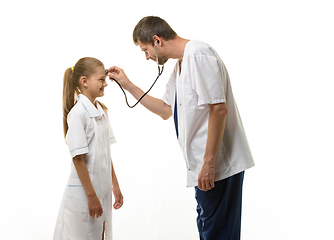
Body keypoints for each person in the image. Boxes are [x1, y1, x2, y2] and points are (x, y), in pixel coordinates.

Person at [107, 16, 255, 240]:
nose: (146, 57)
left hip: (217, 166)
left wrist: (208, 162)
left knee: (218, 232)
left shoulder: (198, 54)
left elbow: (219, 109)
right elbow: (166, 109)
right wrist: (127, 84)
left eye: (145, 50)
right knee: (209, 230)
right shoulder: (181, 65)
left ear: (157, 40)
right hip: (203, 168)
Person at [54, 57, 123, 240]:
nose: (105, 84)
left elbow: (105, 153)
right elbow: (78, 159)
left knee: (99, 233)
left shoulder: (101, 111)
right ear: (84, 82)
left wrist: (115, 186)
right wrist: (91, 196)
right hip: (84, 193)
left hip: (100, 189)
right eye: (101, 79)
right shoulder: (78, 114)